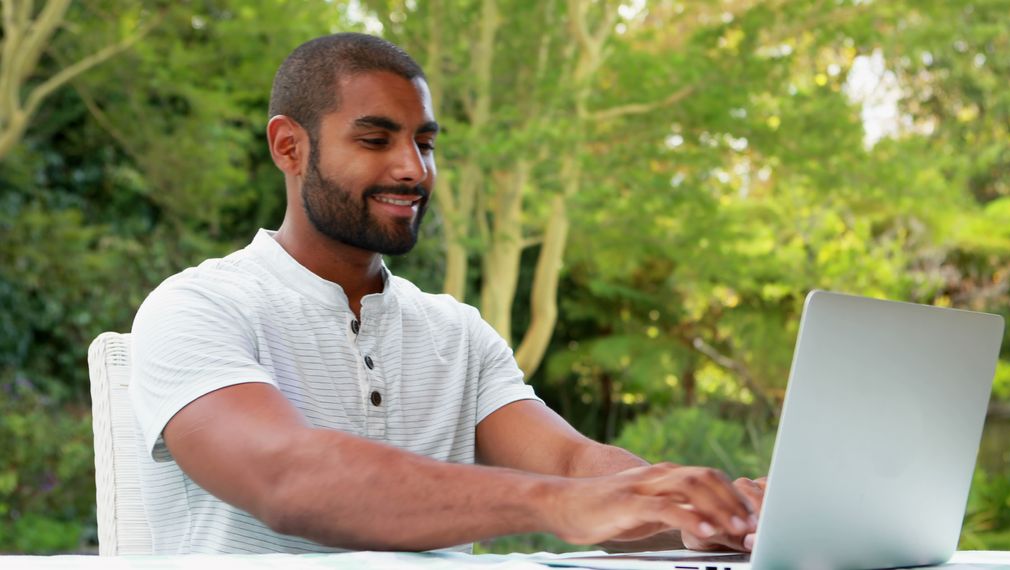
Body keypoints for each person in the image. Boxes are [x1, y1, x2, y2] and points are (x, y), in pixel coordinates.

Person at [130, 32, 764, 555]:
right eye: (376, 140)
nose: (413, 168)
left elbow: (571, 465)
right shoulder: (198, 307)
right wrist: (560, 506)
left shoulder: (455, 333)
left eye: (425, 143)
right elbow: (288, 479)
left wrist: (699, 513)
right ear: (289, 147)